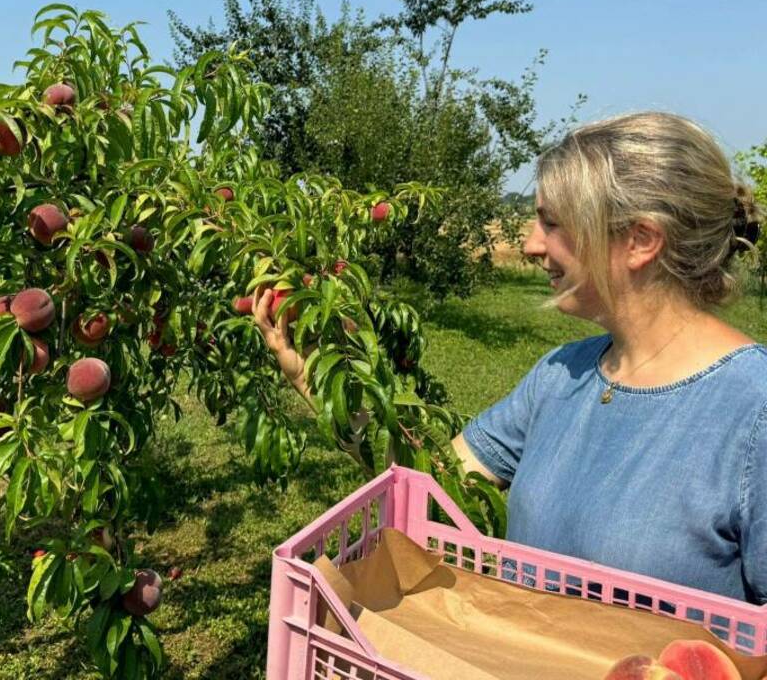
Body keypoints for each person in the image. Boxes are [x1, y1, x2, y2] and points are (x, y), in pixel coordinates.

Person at [254, 111, 767, 604]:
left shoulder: (752, 412)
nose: (528, 245)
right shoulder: (560, 376)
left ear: (639, 240)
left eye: (551, 223)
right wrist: (326, 387)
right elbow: (429, 484)